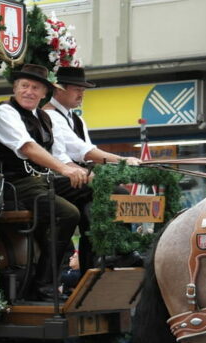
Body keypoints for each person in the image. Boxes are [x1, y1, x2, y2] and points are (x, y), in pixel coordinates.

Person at [0, 63, 87, 301]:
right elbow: (28, 148)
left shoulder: (43, 117)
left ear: (45, 93)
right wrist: (64, 169)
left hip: (40, 181)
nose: (29, 91)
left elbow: (60, 155)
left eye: (35, 88)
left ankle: (93, 263)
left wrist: (82, 173)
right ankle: (44, 285)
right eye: (24, 86)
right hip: (12, 185)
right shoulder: (4, 112)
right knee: (68, 213)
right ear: (15, 88)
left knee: (90, 190)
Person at [43, 66, 141, 270]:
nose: (81, 94)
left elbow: (88, 157)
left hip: (77, 178)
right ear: (59, 89)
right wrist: (121, 161)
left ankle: (99, 260)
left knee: (96, 205)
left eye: (83, 90)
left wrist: (114, 172)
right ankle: (117, 252)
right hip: (56, 179)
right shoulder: (49, 116)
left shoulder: (77, 119)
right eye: (77, 89)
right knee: (116, 191)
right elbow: (83, 151)